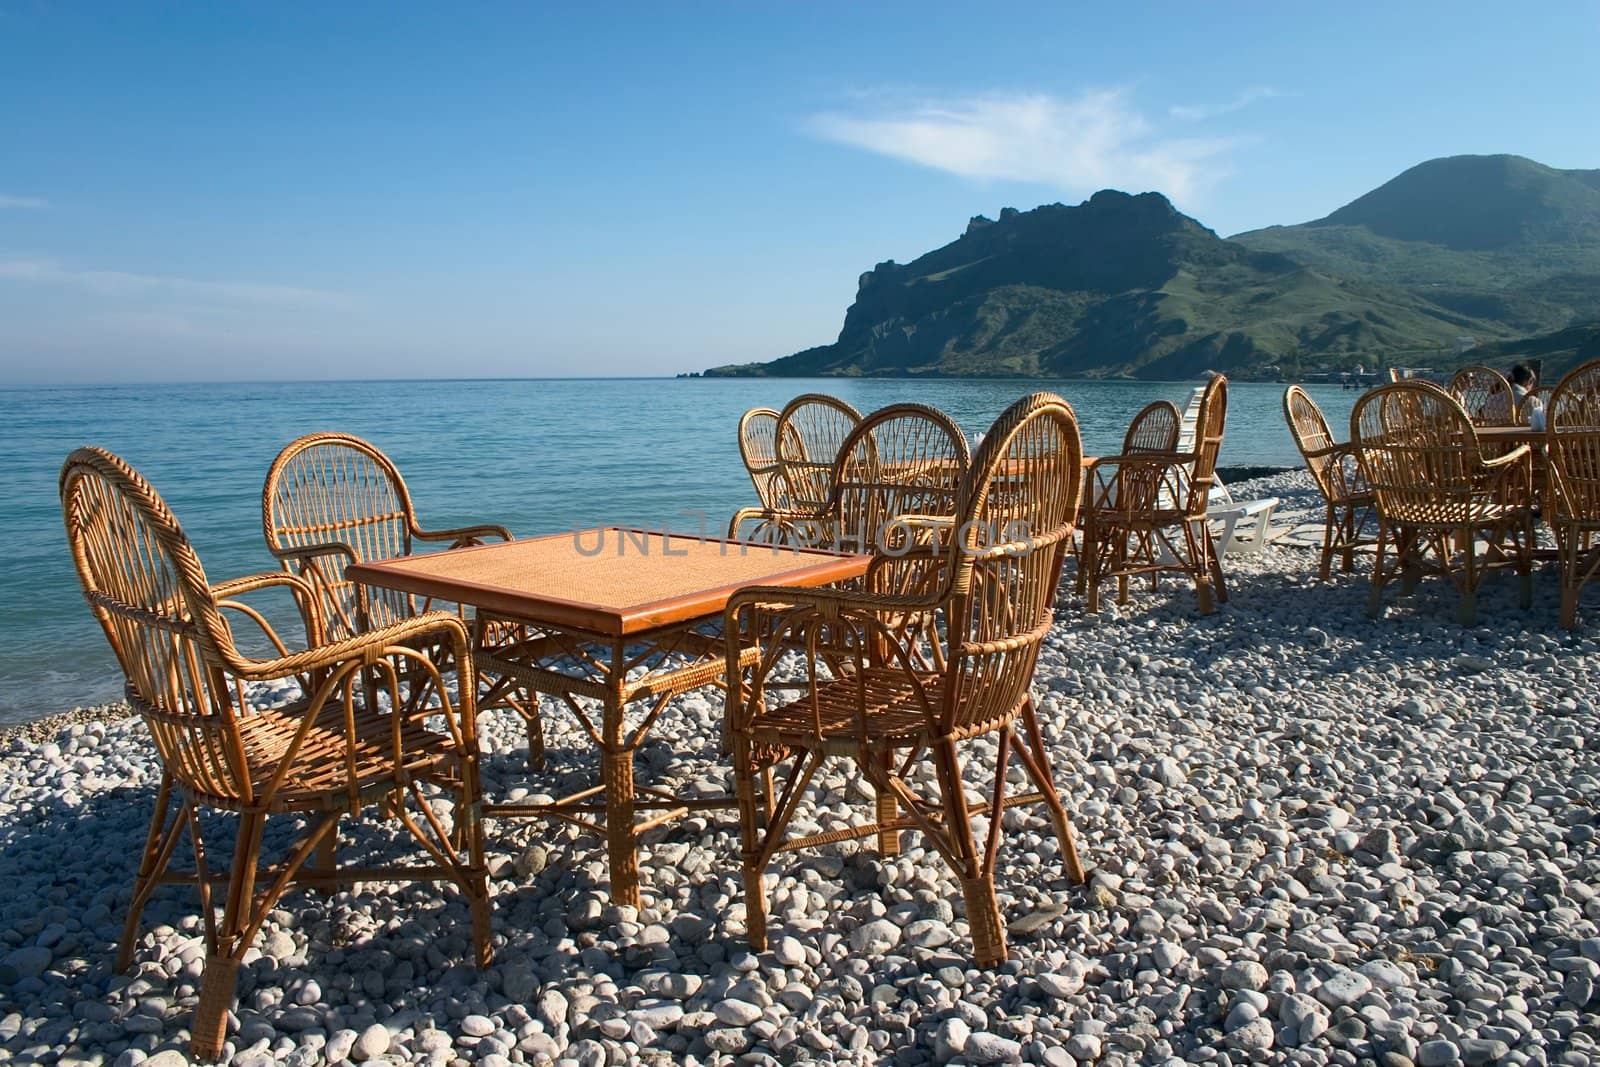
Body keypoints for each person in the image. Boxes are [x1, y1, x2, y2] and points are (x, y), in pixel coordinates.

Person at [1509, 364, 1545, 430]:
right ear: (1529, 381)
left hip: (1493, 438)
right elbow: (1539, 424)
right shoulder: (1533, 401)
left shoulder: (1494, 398)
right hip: (1521, 437)